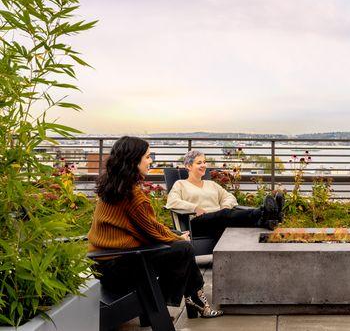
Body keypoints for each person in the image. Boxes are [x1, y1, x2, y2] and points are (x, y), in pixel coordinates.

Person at [87, 136, 222, 319]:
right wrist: (178, 239)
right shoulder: (132, 195)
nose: (151, 161)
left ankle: (194, 300)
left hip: (104, 262)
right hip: (118, 268)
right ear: (134, 160)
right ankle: (159, 305)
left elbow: (148, 226)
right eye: (148, 157)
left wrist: (174, 235)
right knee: (184, 249)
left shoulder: (115, 186)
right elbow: (151, 232)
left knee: (176, 239)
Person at [166, 150, 283, 238]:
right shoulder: (180, 184)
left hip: (219, 220)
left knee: (226, 214)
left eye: (204, 162)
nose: (203, 165)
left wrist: (226, 206)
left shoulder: (211, 184)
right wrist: (194, 207)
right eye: (199, 163)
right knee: (224, 214)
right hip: (196, 223)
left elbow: (229, 197)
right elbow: (172, 202)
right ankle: (265, 212)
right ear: (188, 166)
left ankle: (267, 218)